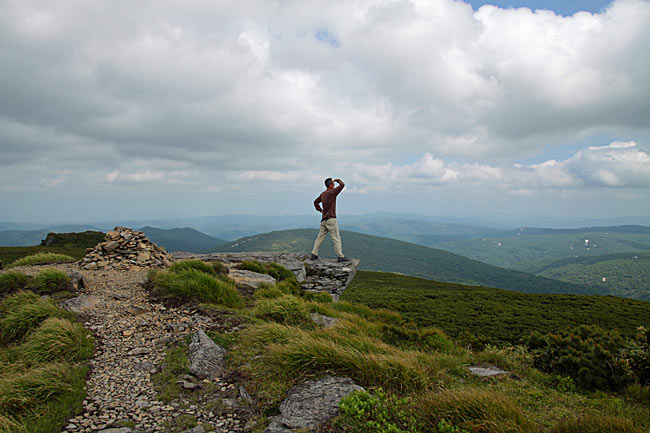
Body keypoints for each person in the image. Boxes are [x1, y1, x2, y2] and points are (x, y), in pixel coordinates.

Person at [311, 177, 351, 262]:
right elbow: (342, 185)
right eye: (333, 184)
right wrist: (338, 180)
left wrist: (321, 210)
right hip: (331, 219)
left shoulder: (323, 194)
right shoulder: (332, 192)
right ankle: (340, 256)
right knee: (336, 238)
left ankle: (314, 254)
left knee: (320, 237)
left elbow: (315, 202)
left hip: (324, 220)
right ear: (330, 185)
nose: (334, 186)